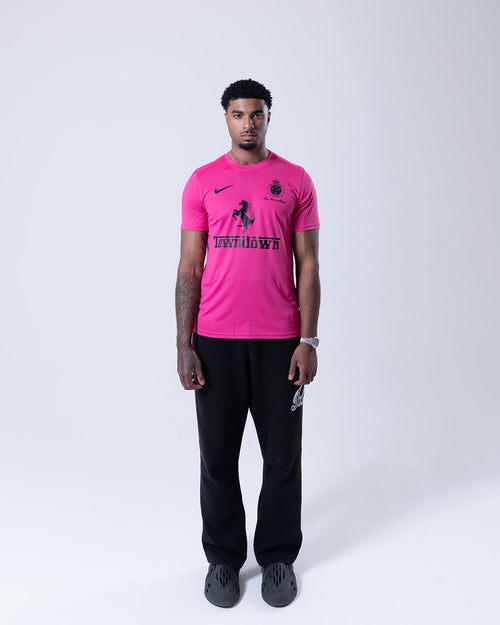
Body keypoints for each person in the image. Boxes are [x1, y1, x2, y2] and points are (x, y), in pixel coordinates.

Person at [175, 78, 320, 608]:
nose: (248, 123)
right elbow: (189, 268)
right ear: (226, 118)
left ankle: (278, 556)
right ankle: (223, 559)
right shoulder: (202, 182)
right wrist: (183, 343)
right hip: (215, 340)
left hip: (280, 342)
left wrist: (308, 339)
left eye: (256, 114)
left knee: (282, 456)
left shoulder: (295, 180)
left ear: (268, 117)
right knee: (217, 456)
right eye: (238, 114)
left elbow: (309, 265)